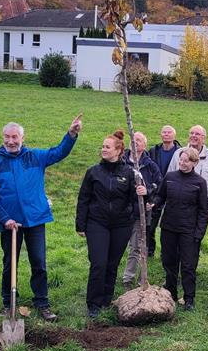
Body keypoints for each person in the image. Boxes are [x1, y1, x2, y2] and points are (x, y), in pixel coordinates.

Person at [0, 115, 82, 321]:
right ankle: (7, 303)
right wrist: (4, 219)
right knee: (9, 264)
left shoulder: (34, 157)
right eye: (7, 137)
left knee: (39, 262)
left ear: (22, 137)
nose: (11, 141)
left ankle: (42, 302)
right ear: (2, 138)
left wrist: (71, 135)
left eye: (15, 137)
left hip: (35, 220)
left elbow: (58, 152)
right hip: (10, 223)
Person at [76, 131, 147, 318]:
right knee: (98, 263)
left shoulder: (129, 173)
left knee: (112, 263)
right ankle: (93, 303)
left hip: (121, 225)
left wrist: (142, 192)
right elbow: (83, 199)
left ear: (118, 151)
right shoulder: (93, 172)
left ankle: (106, 299)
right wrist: (80, 225)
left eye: (107, 147)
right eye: (103, 146)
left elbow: (135, 199)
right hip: (97, 223)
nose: (103, 150)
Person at [153, 148, 208, 311]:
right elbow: (160, 196)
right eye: (181, 160)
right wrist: (154, 204)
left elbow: (203, 210)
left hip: (188, 230)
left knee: (188, 265)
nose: (183, 163)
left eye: (186, 161)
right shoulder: (170, 177)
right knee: (169, 262)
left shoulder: (199, 183)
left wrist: (199, 232)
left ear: (194, 163)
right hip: (169, 227)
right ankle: (171, 292)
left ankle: (189, 297)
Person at [122, 131, 161, 290]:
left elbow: (159, 186)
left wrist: (150, 199)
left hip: (140, 213)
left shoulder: (150, 165)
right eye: (133, 139)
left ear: (144, 145)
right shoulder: (121, 161)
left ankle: (130, 278)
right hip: (121, 213)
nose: (135, 142)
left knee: (137, 246)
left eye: (139, 140)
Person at [167, 125, 208, 217]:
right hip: (177, 205)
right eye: (191, 133)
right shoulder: (178, 153)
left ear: (203, 138)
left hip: (200, 206)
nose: (193, 136)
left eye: (197, 134)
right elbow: (169, 177)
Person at [146, 125, 181, 257]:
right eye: (164, 132)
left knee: (169, 226)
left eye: (169, 132)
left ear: (174, 136)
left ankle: (167, 252)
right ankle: (149, 249)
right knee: (151, 223)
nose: (166, 134)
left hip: (172, 191)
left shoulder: (180, 152)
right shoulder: (153, 151)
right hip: (156, 192)